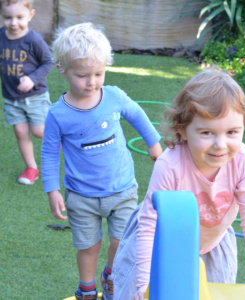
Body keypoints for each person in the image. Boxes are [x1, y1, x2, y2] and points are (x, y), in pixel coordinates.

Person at [113, 68, 245, 299]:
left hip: (213, 244)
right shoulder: (170, 165)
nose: (221, 144)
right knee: (138, 294)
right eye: (207, 132)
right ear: (183, 130)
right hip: (158, 241)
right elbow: (149, 224)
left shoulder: (243, 161)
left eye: (232, 132)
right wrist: (145, 281)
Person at [41, 22, 163, 300]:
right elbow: (49, 152)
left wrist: (154, 144)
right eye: (83, 75)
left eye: (98, 73)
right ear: (62, 69)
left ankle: (110, 273)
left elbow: (137, 114)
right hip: (81, 195)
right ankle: (86, 288)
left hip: (122, 189)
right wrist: (52, 190)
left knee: (122, 242)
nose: (92, 82)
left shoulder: (114, 97)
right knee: (88, 246)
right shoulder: (58, 114)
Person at [0, 0, 53, 184]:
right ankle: (31, 168)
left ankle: (62, 135)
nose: (13, 23)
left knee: (39, 132)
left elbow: (48, 62)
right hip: (11, 98)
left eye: (19, 17)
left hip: (35, 97)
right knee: (20, 132)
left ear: (31, 15)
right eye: (7, 17)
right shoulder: (1, 36)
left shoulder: (34, 40)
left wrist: (32, 79)